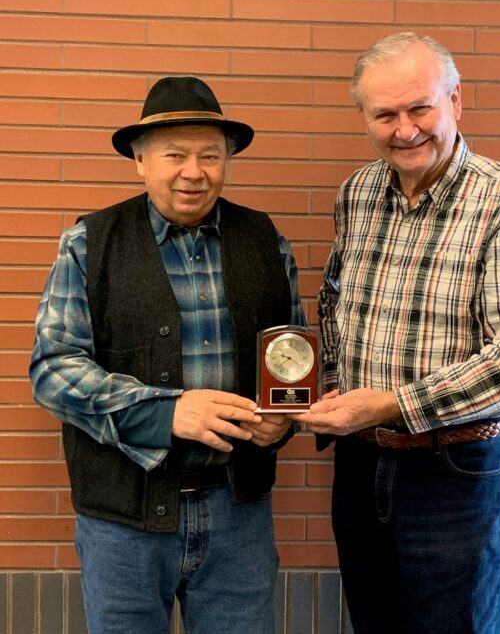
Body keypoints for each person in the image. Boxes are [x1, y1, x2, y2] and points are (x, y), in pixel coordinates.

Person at [291, 33, 500, 634]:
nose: (404, 129)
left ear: (456, 101)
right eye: (384, 114)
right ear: (365, 118)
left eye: (420, 108)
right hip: (362, 467)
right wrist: (329, 391)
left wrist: (394, 404)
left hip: (458, 471)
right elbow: (336, 306)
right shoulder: (357, 194)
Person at [30, 76, 305, 634]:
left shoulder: (265, 240)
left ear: (227, 160)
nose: (193, 171)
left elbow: (293, 356)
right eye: (174, 155)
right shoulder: (90, 242)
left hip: (239, 513)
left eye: (210, 155)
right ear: (140, 160)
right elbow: (53, 369)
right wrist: (165, 412)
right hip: (123, 523)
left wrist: (286, 419)